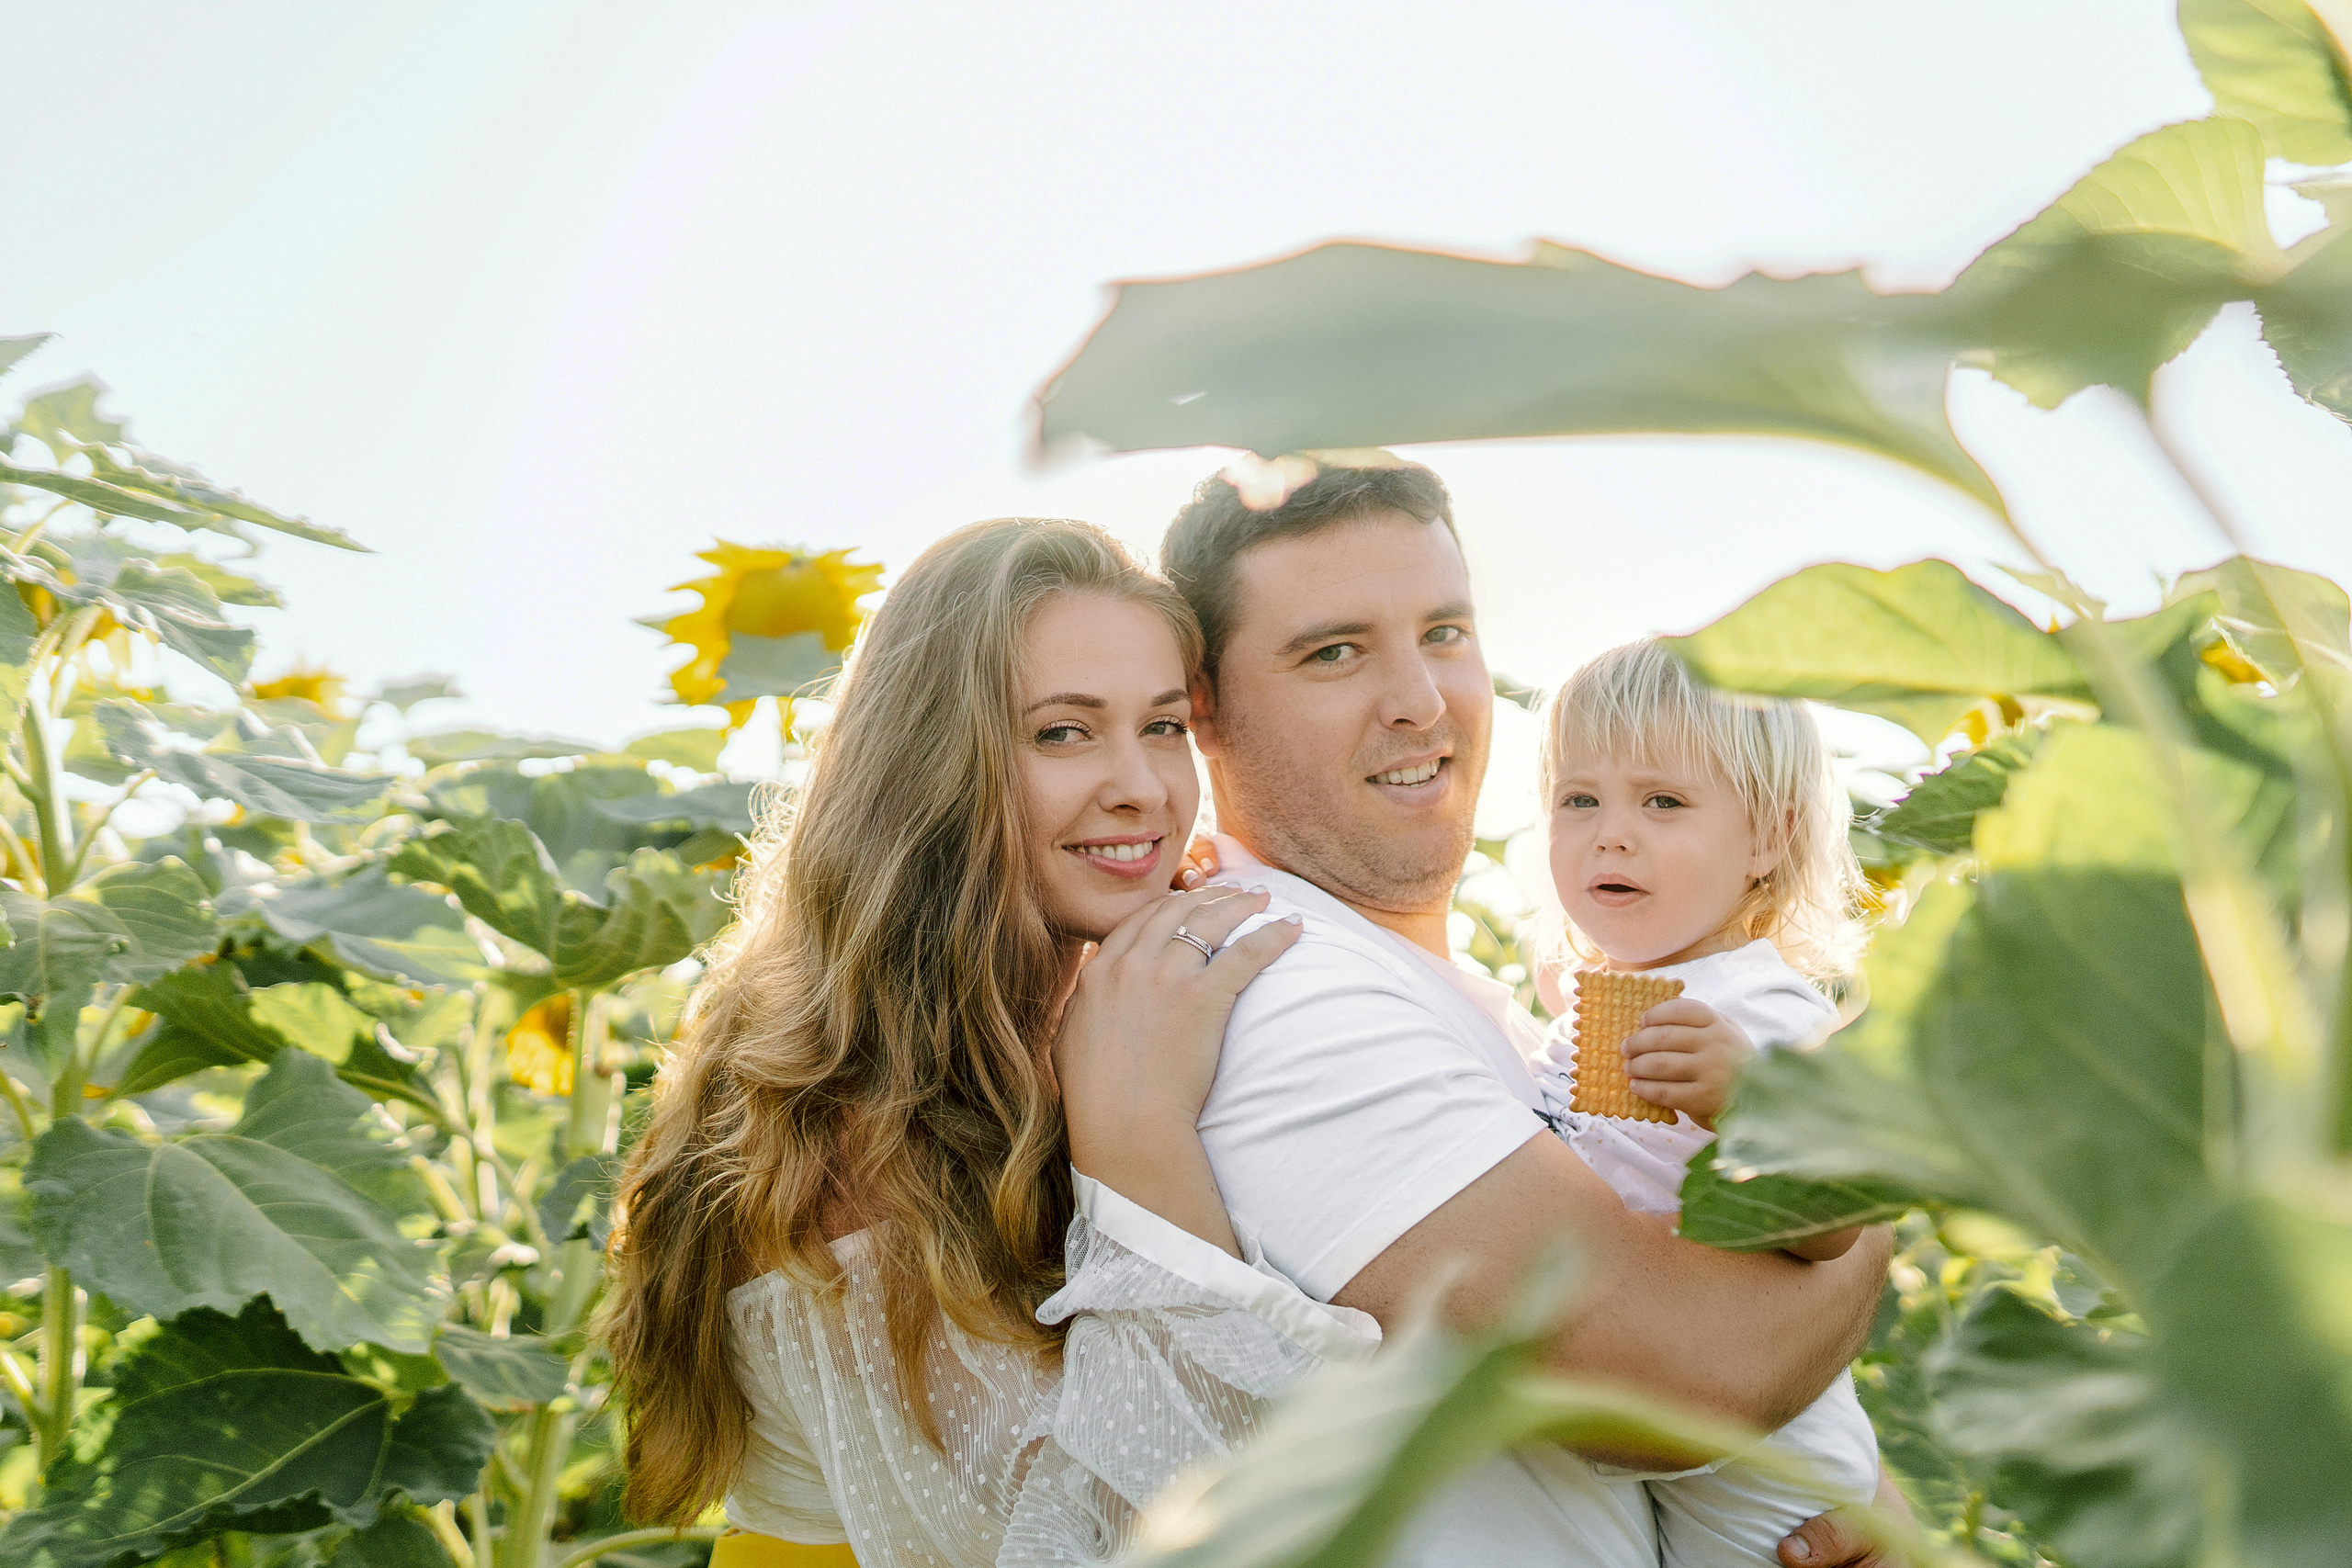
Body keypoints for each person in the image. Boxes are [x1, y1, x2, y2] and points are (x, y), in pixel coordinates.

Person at [1069, 456, 1906, 1565]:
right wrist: (1875, 1191)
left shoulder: (1490, 1007)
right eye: (1334, 653)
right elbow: (1682, 1375)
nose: (1420, 700)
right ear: (1205, 712)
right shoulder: (1270, 986)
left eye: (1445, 633)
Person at [603, 517, 1374, 1568]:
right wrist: (1135, 1131)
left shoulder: (1118, 1002)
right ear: (932, 767)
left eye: (1161, 727)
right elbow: (1166, 1536)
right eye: (1062, 733)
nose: (1141, 788)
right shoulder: (851, 1133)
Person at [1529, 638, 1881, 1564]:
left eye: (1663, 802)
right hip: (1652, 1408)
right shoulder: (1610, 994)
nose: (1610, 832)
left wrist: (1751, 1106)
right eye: (1578, 799)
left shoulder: (1766, 1014)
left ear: (1766, 837)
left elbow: (1835, 1226)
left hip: (1768, 1449)